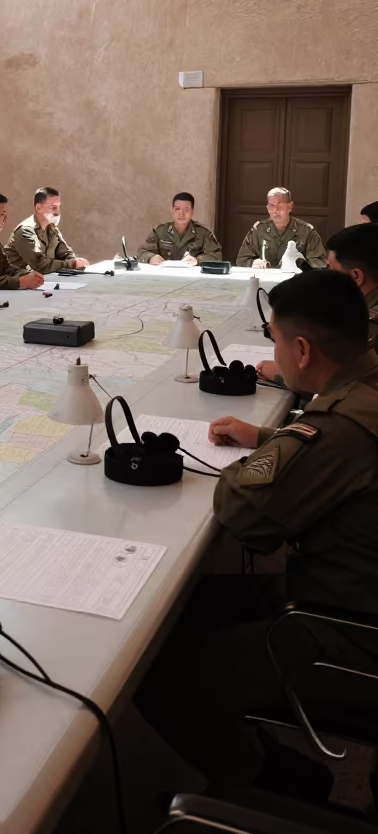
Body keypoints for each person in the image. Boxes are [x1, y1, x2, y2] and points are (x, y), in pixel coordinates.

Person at [136, 270, 378, 797]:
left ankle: (269, 783)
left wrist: (255, 459)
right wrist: (272, 436)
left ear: (304, 350)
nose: (276, 350)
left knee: (156, 670)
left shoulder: (336, 426)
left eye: (275, 340)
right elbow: (335, 455)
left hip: (347, 627)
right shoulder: (364, 390)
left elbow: (244, 513)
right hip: (351, 589)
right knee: (193, 605)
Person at [255, 223, 378, 382]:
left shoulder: (371, 325)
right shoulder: (360, 307)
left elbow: (348, 385)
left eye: (331, 268)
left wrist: (282, 374)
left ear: (356, 277)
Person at [3, 187, 89, 274]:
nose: (57, 212)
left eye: (58, 207)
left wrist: (75, 262)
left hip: (42, 280)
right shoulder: (26, 230)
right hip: (17, 282)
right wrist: (72, 264)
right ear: (39, 207)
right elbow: (40, 265)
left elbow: (65, 253)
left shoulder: (52, 229)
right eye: (53, 207)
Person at [236, 187, 326, 269]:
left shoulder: (306, 231)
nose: (276, 210)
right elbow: (241, 260)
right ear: (267, 207)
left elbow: (318, 264)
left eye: (280, 205)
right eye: (271, 205)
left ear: (290, 207)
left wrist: (298, 266)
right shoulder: (259, 229)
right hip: (265, 282)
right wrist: (253, 263)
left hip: (294, 282)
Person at [136, 192, 222, 266]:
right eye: (177, 209)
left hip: (193, 278)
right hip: (164, 277)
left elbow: (216, 256)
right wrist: (151, 258)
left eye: (186, 210)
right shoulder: (160, 231)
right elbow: (142, 251)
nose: (181, 214)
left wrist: (198, 260)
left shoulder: (203, 233)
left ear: (192, 212)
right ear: (172, 210)